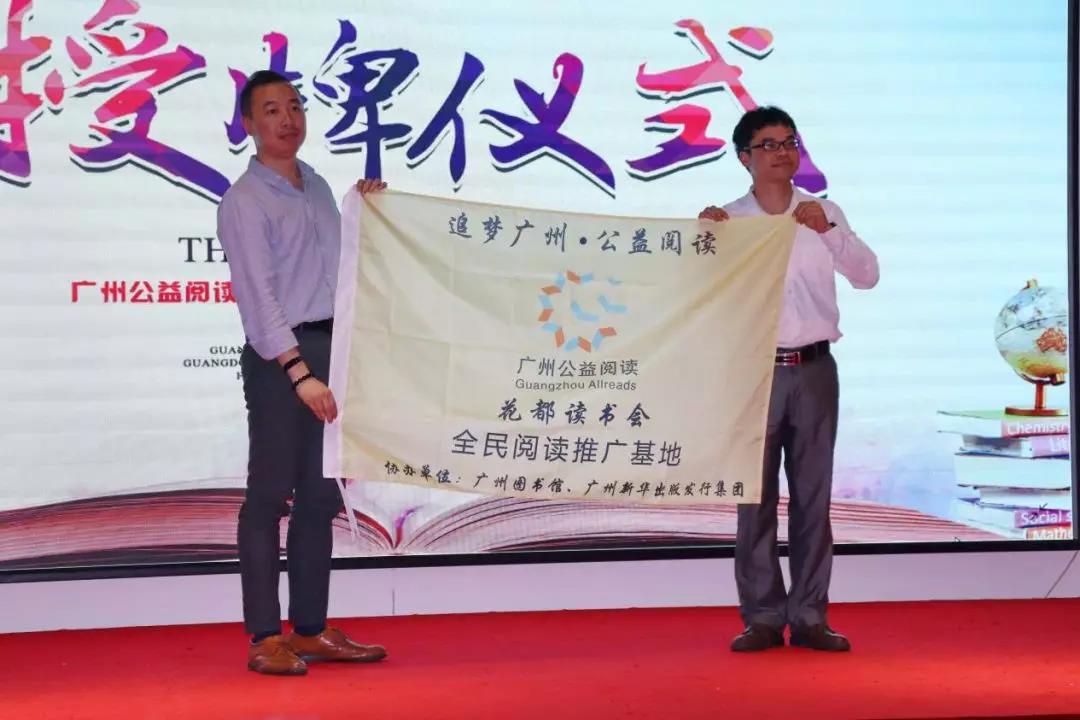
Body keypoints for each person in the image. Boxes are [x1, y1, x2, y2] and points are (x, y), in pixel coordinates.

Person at [217, 69, 388, 675]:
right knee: (268, 497)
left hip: (331, 351)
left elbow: (343, 269)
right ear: (248, 124)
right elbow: (258, 298)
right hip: (280, 363)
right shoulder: (244, 200)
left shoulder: (317, 187)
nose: (287, 119)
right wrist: (298, 371)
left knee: (319, 497)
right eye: (271, 110)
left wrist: (369, 210)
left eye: (294, 106)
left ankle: (310, 630)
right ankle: (266, 637)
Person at [699, 106, 879, 652]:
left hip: (816, 370)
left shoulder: (823, 212)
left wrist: (829, 233)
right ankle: (761, 617)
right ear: (744, 157)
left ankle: (809, 617)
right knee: (754, 500)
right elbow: (699, 296)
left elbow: (867, 276)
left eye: (789, 142)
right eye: (769, 144)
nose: (782, 152)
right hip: (754, 372)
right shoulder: (726, 221)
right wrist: (703, 244)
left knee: (812, 499)